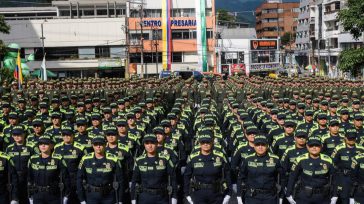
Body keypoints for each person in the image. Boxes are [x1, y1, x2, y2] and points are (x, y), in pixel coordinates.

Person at [285, 136, 336, 204]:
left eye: (317, 145)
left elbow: (335, 178)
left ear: (321, 146)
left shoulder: (328, 160)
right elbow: (292, 177)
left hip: (323, 196)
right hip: (304, 196)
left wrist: (335, 195)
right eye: (311, 145)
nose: (314, 147)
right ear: (307, 146)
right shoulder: (300, 159)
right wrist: (288, 194)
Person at [184, 133, 231, 204]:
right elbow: (187, 176)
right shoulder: (193, 158)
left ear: (212, 142)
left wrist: (229, 193)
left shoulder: (220, 156)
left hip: (216, 193)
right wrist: (187, 194)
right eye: (203, 142)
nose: (205, 144)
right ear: (199, 143)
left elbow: (228, 174)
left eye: (208, 142)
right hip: (198, 194)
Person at [130, 134, 177, 204]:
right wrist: (133, 198)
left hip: (161, 197)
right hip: (144, 197)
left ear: (157, 144)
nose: (150, 146)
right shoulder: (139, 161)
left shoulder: (165, 159)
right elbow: (134, 181)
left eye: (152, 143)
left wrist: (174, 197)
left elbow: (173, 179)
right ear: (144, 145)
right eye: (147, 143)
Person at [237, 135, 284, 204]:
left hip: (270, 197)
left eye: (263, 145)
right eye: (257, 145)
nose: (260, 147)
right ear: (254, 146)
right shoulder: (248, 159)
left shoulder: (275, 159)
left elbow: (282, 178)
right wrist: (239, 195)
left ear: (267, 146)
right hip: (252, 197)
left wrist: (281, 196)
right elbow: (240, 177)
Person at [77, 135, 124, 204]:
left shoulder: (113, 159)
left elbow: (120, 180)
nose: (98, 146)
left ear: (105, 145)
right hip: (91, 195)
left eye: (101, 144)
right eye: (96, 144)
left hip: (109, 195)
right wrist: (81, 199)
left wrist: (120, 200)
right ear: (93, 146)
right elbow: (79, 179)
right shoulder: (85, 159)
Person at [27, 135, 69, 204]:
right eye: (40, 144)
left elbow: (66, 178)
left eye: (46, 144)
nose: (43, 146)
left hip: (53, 195)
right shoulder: (33, 159)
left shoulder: (58, 159)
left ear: (51, 146)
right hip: (37, 194)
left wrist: (66, 195)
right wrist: (30, 195)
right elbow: (29, 178)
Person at [53, 126, 87, 204]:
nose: (66, 137)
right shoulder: (57, 147)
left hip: (75, 177)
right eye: (64, 135)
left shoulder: (80, 147)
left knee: (75, 199)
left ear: (73, 135)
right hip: (61, 178)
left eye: (68, 135)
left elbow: (85, 164)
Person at [331, 129, 364, 204]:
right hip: (343, 176)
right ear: (345, 138)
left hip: (357, 178)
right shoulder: (339, 148)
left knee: (355, 198)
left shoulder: (361, 148)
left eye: (353, 138)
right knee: (344, 197)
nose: (351, 140)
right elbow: (332, 162)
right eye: (349, 138)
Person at [6, 126, 36, 204]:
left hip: (27, 177)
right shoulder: (9, 148)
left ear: (24, 134)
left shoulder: (31, 146)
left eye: (19, 134)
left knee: (27, 199)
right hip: (14, 179)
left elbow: (36, 161)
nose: (17, 137)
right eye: (15, 135)